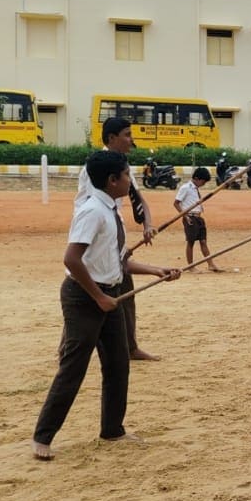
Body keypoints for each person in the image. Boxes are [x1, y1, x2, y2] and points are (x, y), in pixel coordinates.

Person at [32, 150, 180, 460]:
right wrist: (98, 297)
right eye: (126, 176)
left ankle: (113, 430)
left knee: (117, 364)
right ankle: (42, 437)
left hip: (109, 295)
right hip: (84, 297)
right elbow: (71, 259)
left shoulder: (111, 210)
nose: (129, 181)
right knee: (73, 367)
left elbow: (120, 262)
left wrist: (158, 270)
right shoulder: (92, 211)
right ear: (112, 180)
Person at [76, 116, 159, 361]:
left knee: (125, 292)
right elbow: (93, 209)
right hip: (95, 236)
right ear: (112, 138)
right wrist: (109, 243)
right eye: (127, 135)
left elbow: (138, 198)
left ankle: (130, 346)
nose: (131, 140)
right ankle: (68, 347)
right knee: (87, 295)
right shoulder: (96, 167)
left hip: (113, 232)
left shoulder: (122, 165)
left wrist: (147, 224)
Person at [174, 167, 224, 272]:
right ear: (196, 178)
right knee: (191, 242)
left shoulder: (196, 189)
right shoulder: (185, 188)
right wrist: (185, 216)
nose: (203, 184)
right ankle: (190, 266)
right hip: (190, 217)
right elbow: (176, 203)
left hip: (198, 217)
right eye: (203, 182)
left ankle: (211, 264)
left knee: (203, 241)